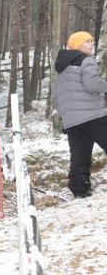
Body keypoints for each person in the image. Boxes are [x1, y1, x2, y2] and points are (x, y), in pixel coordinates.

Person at [54, 31, 107, 198]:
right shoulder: (86, 60)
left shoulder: (62, 68)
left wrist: (65, 116)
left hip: (72, 121)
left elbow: (56, 97)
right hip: (93, 115)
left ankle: (80, 189)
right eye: (88, 41)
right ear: (78, 45)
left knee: (79, 155)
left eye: (92, 41)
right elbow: (92, 84)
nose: (92, 44)